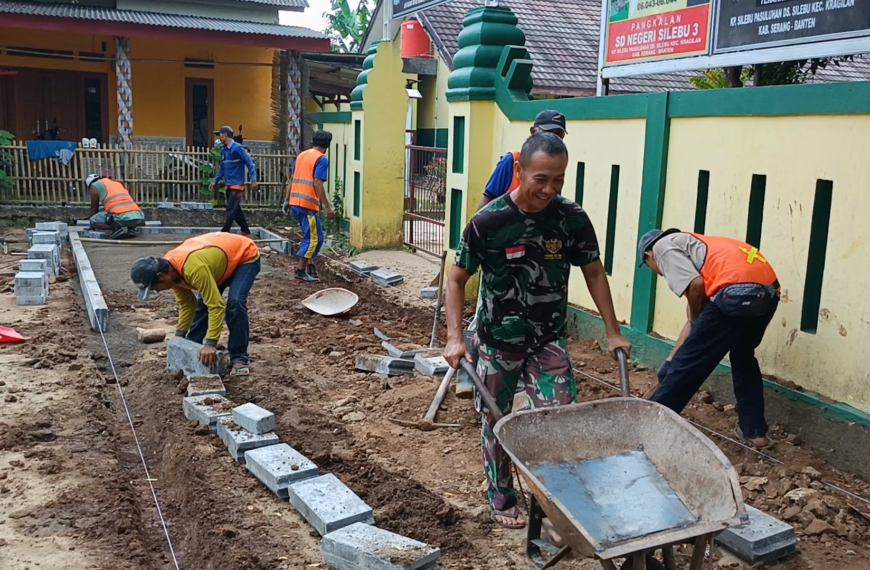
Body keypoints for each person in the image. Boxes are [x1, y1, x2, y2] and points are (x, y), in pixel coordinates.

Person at [443, 133, 631, 529]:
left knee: (557, 420)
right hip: (496, 341)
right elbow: (456, 278)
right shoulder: (488, 222)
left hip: (548, 340)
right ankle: (501, 495)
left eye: (559, 180)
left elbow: (594, 271)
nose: (550, 189)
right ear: (520, 171)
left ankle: (555, 507)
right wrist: (455, 337)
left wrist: (613, 331)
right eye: (541, 178)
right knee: (497, 420)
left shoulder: (570, 218)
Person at [638, 229, 780, 449]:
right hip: (768, 293)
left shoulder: (662, 247)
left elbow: (695, 289)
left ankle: (648, 431)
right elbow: (691, 324)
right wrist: (670, 362)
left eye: (653, 269)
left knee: (690, 365)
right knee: (743, 355)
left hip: (734, 291)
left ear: (649, 256)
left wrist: (683, 354)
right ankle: (755, 431)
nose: (662, 273)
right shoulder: (701, 249)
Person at [130, 232, 261, 377]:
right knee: (202, 303)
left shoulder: (192, 268)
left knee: (235, 304)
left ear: (161, 276)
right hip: (219, 263)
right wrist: (179, 338)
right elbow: (187, 304)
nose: (158, 292)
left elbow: (216, 306)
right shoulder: (170, 271)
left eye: (155, 288)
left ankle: (239, 358)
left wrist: (211, 343)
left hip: (244, 256)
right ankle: (193, 344)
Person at [475, 109, 568, 212]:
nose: (553, 138)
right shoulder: (510, 160)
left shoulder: (558, 166)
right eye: (547, 132)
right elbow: (487, 200)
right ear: (533, 131)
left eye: (559, 134)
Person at [284, 130, 334, 283]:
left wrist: (287, 200)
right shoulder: (321, 159)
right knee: (315, 239)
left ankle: (311, 268)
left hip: (295, 203)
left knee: (310, 235)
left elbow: (292, 179)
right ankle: (300, 271)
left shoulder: (302, 155)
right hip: (307, 205)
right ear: (328, 145)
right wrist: (327, 206)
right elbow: (317, 183)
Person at [211, 126, 258, 236]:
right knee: (236, 210)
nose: (219, 138)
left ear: (226, 135)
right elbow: (222, 167)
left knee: (231, 209)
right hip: (228, 184)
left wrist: (253, 179)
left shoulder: (237, 148)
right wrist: (215, 180)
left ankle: (224, 232)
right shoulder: (224, 150)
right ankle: (245, 230)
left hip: (237, 184)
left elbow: (250, 163)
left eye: (220, 135)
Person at [86, 174, 145, 239]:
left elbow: (94, 208)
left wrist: (91, 225)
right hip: (139, 217)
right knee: (121, 215)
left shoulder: (94, 186)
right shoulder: (117, 183)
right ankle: (131, 229)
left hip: (119, 217)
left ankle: (117, 228)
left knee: (93, 221)